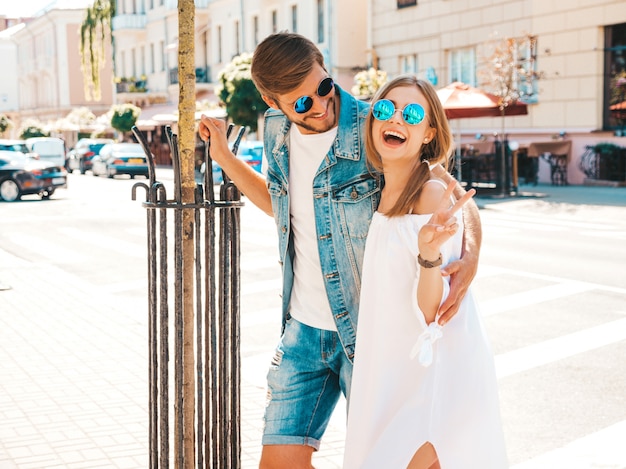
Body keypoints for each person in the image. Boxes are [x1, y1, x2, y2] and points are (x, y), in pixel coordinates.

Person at [198, 32, 482, 468]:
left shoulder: (378, 124)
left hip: (368, 332)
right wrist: (226, 160)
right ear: (272, 103)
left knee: (389, 457)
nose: (321, 103)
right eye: (301, 103)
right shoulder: (276, 134)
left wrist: (472, 256)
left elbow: (452, 191)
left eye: (324, 86)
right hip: (303, 331)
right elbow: (281, 205)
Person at [343, 75, 507, 469]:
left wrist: (430, 254)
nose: (395, 118)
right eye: (384, 109)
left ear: (429, 132)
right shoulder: (380, 191)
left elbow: (433, 313)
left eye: (412, 113)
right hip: (391, 366)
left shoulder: (431, 194)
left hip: (432, 374)